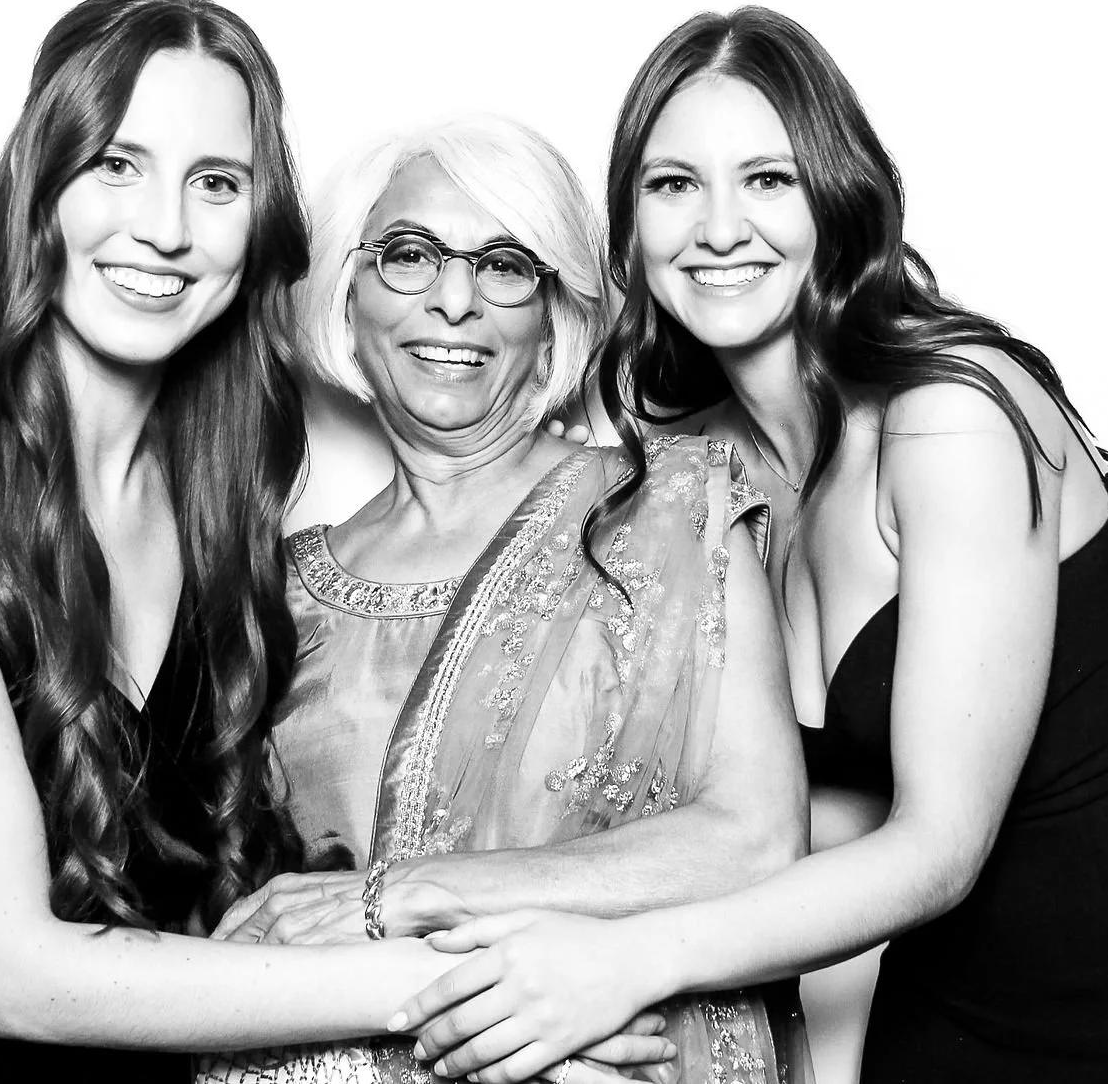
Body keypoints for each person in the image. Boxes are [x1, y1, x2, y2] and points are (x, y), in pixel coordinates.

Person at [392, 9, 1108, 1081]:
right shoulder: (700, 469)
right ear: (630, 225)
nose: (715, 228)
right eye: (672, 186)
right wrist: (461, 894)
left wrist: (621, 961)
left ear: (835, 198)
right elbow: (796, 820)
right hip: (960, 974)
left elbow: (937, 845)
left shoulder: (950, 418)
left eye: (765, 179)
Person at [0, 0, 673, 1083]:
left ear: (258, 227)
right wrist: (482, 998)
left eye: (216, 183)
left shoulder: (221, 504)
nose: (163, 225)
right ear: (36, 188)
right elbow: (19, 978)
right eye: (116, 162)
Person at [208, 115, 810, 1084]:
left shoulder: (672, 509)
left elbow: (757, 839)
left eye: (502, 266)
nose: (454, 302)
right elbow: (252, 927)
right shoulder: (271, 596)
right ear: (344, 301)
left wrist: (402, 895)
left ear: (551, 321)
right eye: (408, 256)